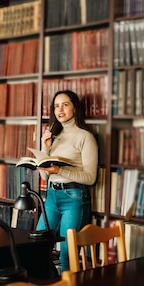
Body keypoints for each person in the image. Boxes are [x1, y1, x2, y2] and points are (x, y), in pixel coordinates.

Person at [36, 89, 99, 273]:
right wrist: (45, 149)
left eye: (65, 104)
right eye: (56, 106)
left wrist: (60, 170)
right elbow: (44, 176)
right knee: (36, 245)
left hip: (73, 198)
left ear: (75, 107)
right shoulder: (54, 137)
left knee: (66, 253)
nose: (60, 110)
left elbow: (90, 177)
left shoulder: (85, 137)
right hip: (52, 196)